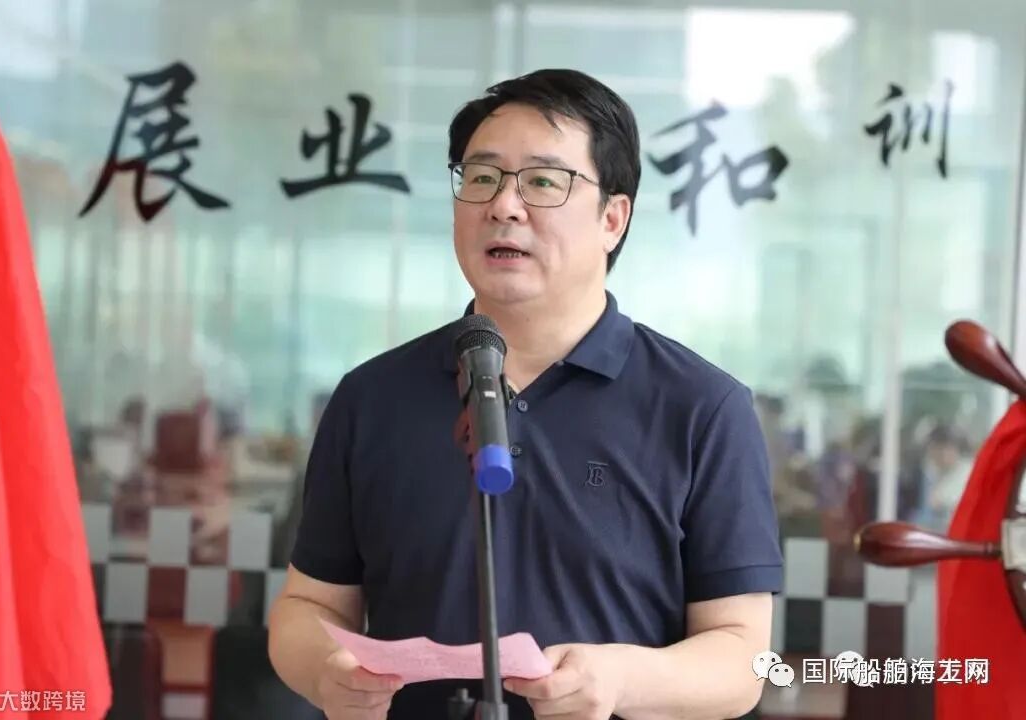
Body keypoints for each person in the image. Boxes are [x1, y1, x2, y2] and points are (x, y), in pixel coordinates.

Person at [268, 68, 783, 720]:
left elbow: (742, 658)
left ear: (613, 218)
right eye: (482, 177)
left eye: (542, 182)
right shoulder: (371, 399)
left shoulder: (702, 409)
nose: (504, 206)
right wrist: (326, 671)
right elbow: (308, 607)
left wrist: (620, 680)